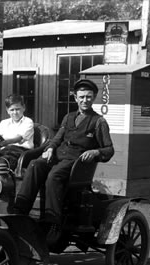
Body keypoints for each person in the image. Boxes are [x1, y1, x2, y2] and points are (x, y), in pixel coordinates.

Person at [13, 79, 114, 244]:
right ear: (76, 98)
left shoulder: (99, 122)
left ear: (94, 97)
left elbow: (109, 150)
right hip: (58, 156)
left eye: (88, 97)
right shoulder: (68, 118)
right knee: (35, 165)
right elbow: (57, 139)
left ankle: (53, 222)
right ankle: (20, 211)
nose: (85, 100)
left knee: (54, 175)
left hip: (76, 163)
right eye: (81, 97)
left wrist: (96, 151)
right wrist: (51, 148)